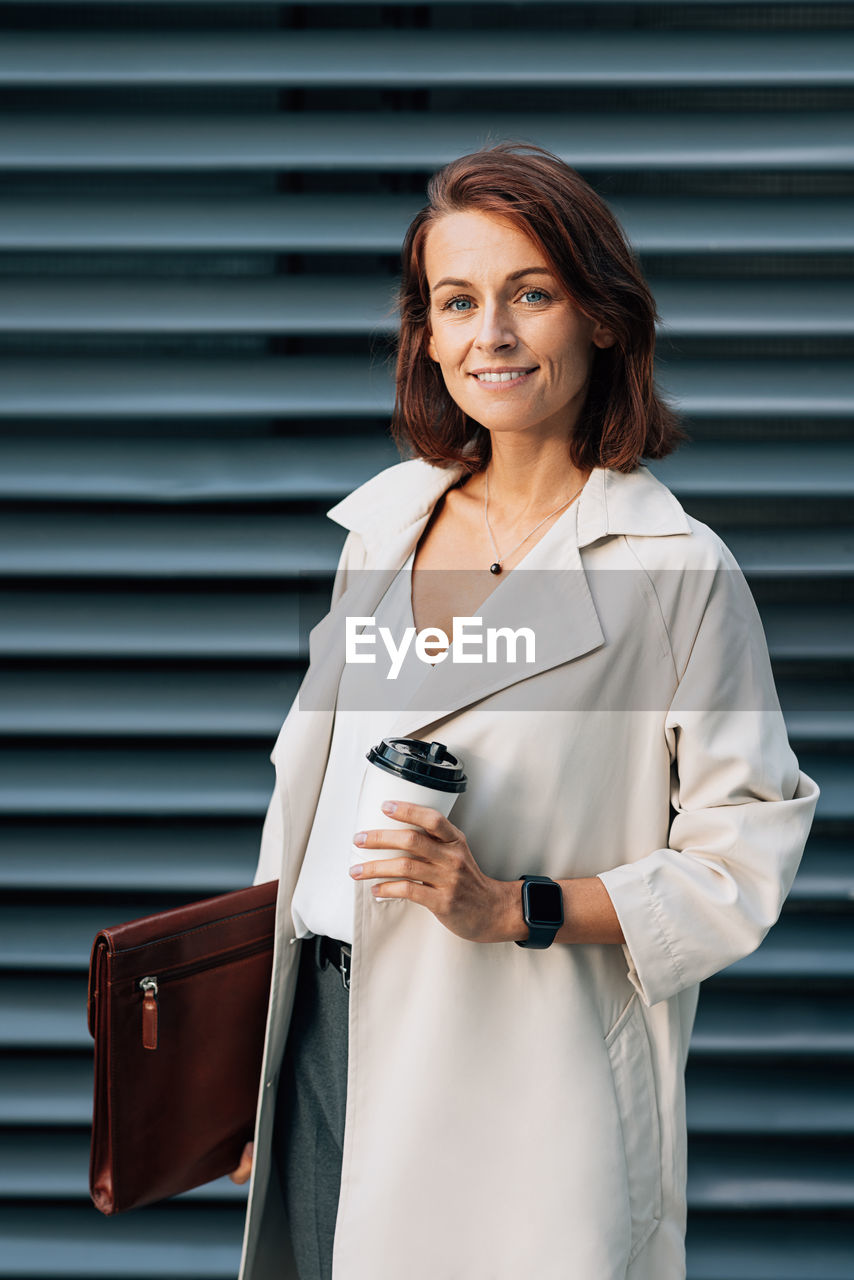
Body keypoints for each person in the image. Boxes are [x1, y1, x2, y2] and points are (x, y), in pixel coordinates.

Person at [229, 142, 819, 1280]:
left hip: (520, 1076)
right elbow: (301, 800)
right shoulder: (381, 531)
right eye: (457, 301)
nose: (489, 334)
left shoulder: (671, 570)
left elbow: (740, 856)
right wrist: (242, 1061)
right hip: (319, 1039)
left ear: (600, 318)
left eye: (529, 294)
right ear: (428, 333)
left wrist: (514, 903)